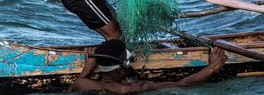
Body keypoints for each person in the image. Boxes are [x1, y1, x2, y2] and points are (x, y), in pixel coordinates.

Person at [68, 40, 227, 93]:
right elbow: (182, 84)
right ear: (119, 70)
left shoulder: (83, 83)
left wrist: (86, 69)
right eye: (129, 60)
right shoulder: (131, 89)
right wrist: (211, 68)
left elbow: (71, 89)